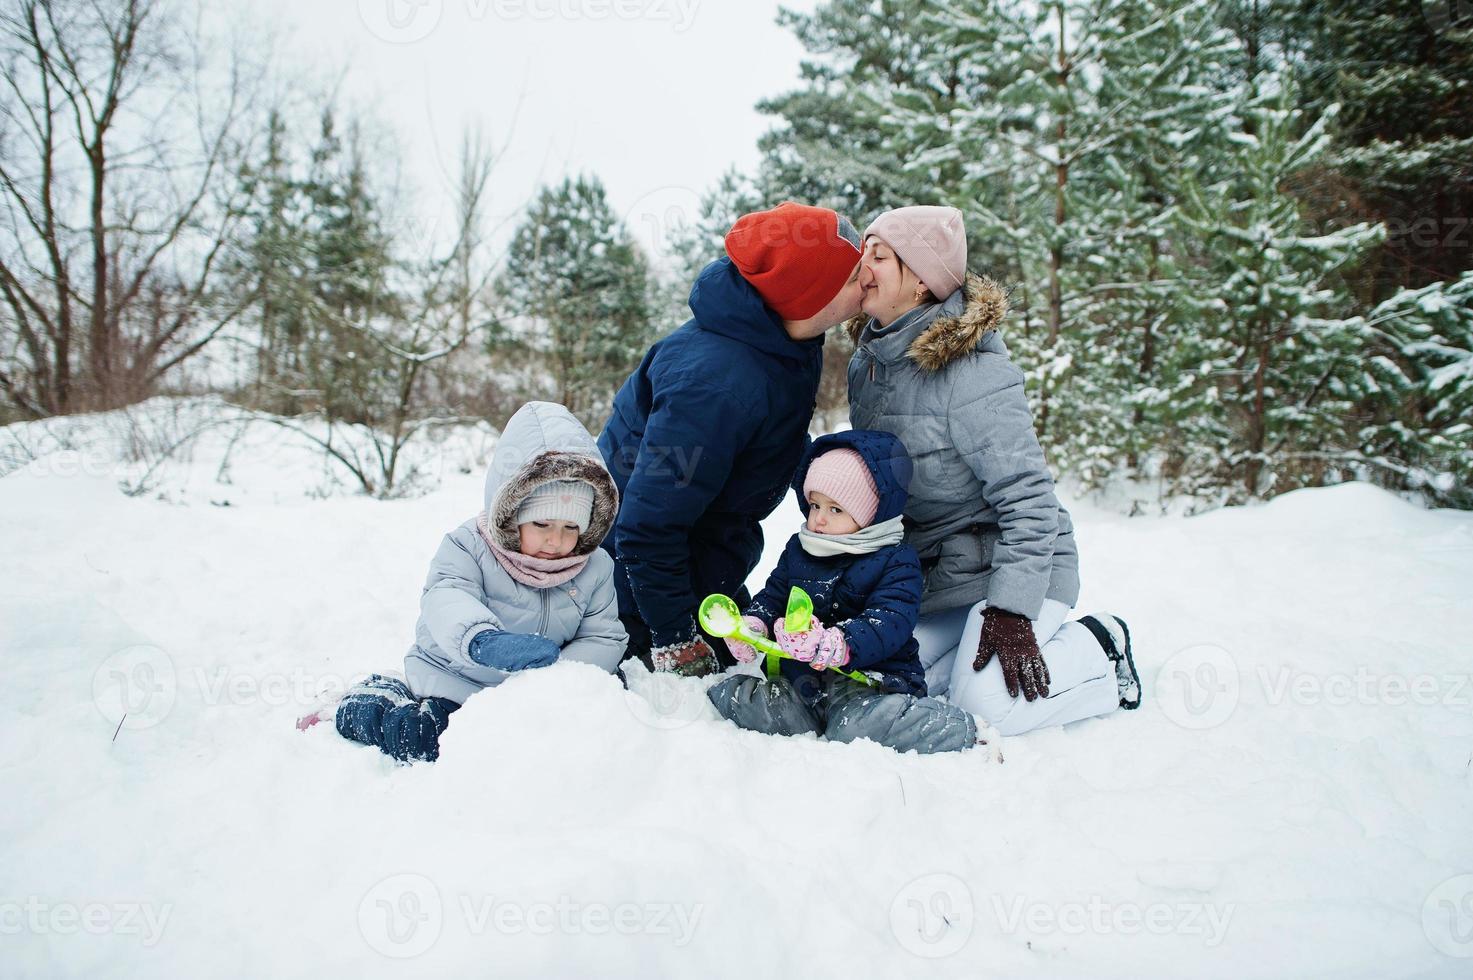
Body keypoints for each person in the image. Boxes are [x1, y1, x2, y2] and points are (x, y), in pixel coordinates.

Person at [846, 205, 1141, 736]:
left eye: (878, 255)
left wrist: (1010, 608)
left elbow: (1029, 499)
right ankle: (963, 653)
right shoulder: (868, 366)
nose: (860, 264)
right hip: (939, 578)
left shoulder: (973, 373)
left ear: (919, 282)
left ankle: (1102, 646)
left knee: (984, 707)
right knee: (880, 677)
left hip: (1020, 569)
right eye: (863, 249)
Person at [598, 202, 864, 677]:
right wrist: (674, 638)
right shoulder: (712, 385)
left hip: (707, 562)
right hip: (637, 596)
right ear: (808, 297)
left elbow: (759, 440)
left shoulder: (785, 340)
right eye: (850, 279)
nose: (865, 283)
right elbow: (646, 525)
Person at [334, 401, 626, 762]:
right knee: (427, 743)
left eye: (571, 527)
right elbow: (446, 595)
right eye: (541, 524)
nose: (556, 540)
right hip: (461, 682)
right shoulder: (470, 546)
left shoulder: (594, 566)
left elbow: (603, 635)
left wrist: (561, 677)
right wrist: (481, 641)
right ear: (512, 515)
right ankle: (373, 701)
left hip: (539, 695)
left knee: (599, 725)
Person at [707, 431, 983, 754]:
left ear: (868, 515)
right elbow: (774, 594)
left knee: (853, 728)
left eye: (835, 509)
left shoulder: (895, 560)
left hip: (866, 682)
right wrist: (755, 624)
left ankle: (957, 729)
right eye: (814, 504)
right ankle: (731, 696)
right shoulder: (801, 548)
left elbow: (890, 621)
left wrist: (840, 643)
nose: (819, 518)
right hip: (802, 680)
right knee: (783, 715)